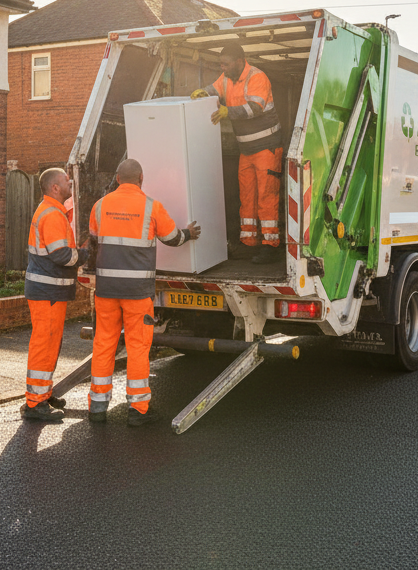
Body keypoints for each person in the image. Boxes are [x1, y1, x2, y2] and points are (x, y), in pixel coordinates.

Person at [88, 159, 201, 426]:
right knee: (138, 346)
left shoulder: (100, 205)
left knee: (104, 343)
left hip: (106, 290)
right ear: (141, 178)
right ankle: (138, 410)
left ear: (117, 178)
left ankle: (97, 407)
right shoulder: (151, 206)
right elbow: (172, 237)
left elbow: (94, 235)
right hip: (137, 292)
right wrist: (189, 234)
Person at [190, 43, 283, 264]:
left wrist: (226, 111)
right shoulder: (226, 77)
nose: (223, 67)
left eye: (226, 63)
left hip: (267, 147)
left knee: (266, 197)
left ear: (240, 61)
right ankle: (249, 244)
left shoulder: (257, 77)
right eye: (221, 64)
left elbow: (255, 108)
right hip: (247, 149)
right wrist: (204, 92)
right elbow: (215, 89)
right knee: (247, 198)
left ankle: (271, 246)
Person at [19, 168, 89, 423]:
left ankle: (42, 394)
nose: (70, 183)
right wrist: (84, 254)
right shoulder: (51, 214)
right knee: (44, 344)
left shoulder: (52, 210)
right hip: (47, 291)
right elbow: (62, 256)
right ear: (54, 188)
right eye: (66, 181)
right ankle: (35, 402)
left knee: (50, 344)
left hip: (49, 291)